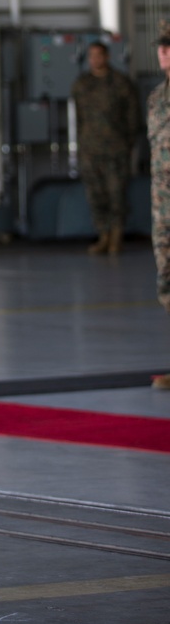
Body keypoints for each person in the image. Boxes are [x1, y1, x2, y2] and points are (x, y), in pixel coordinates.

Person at [70, 40, 141, 255]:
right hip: (90, 150)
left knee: (116, 193)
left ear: (107, 57)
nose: (95, 60)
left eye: (99, 55)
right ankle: (103, 235)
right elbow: (77, 118)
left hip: (116, 150)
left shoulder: (121, 83)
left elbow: (133, 118)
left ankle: (116, 237)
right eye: (91, 56)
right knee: (95, 194)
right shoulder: (81, 84)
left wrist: (127, 144)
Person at [147, 20, 170, 390]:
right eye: (161, 46)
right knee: (167, 282)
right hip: (163, 207)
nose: (164, 51)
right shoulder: (155, 97)